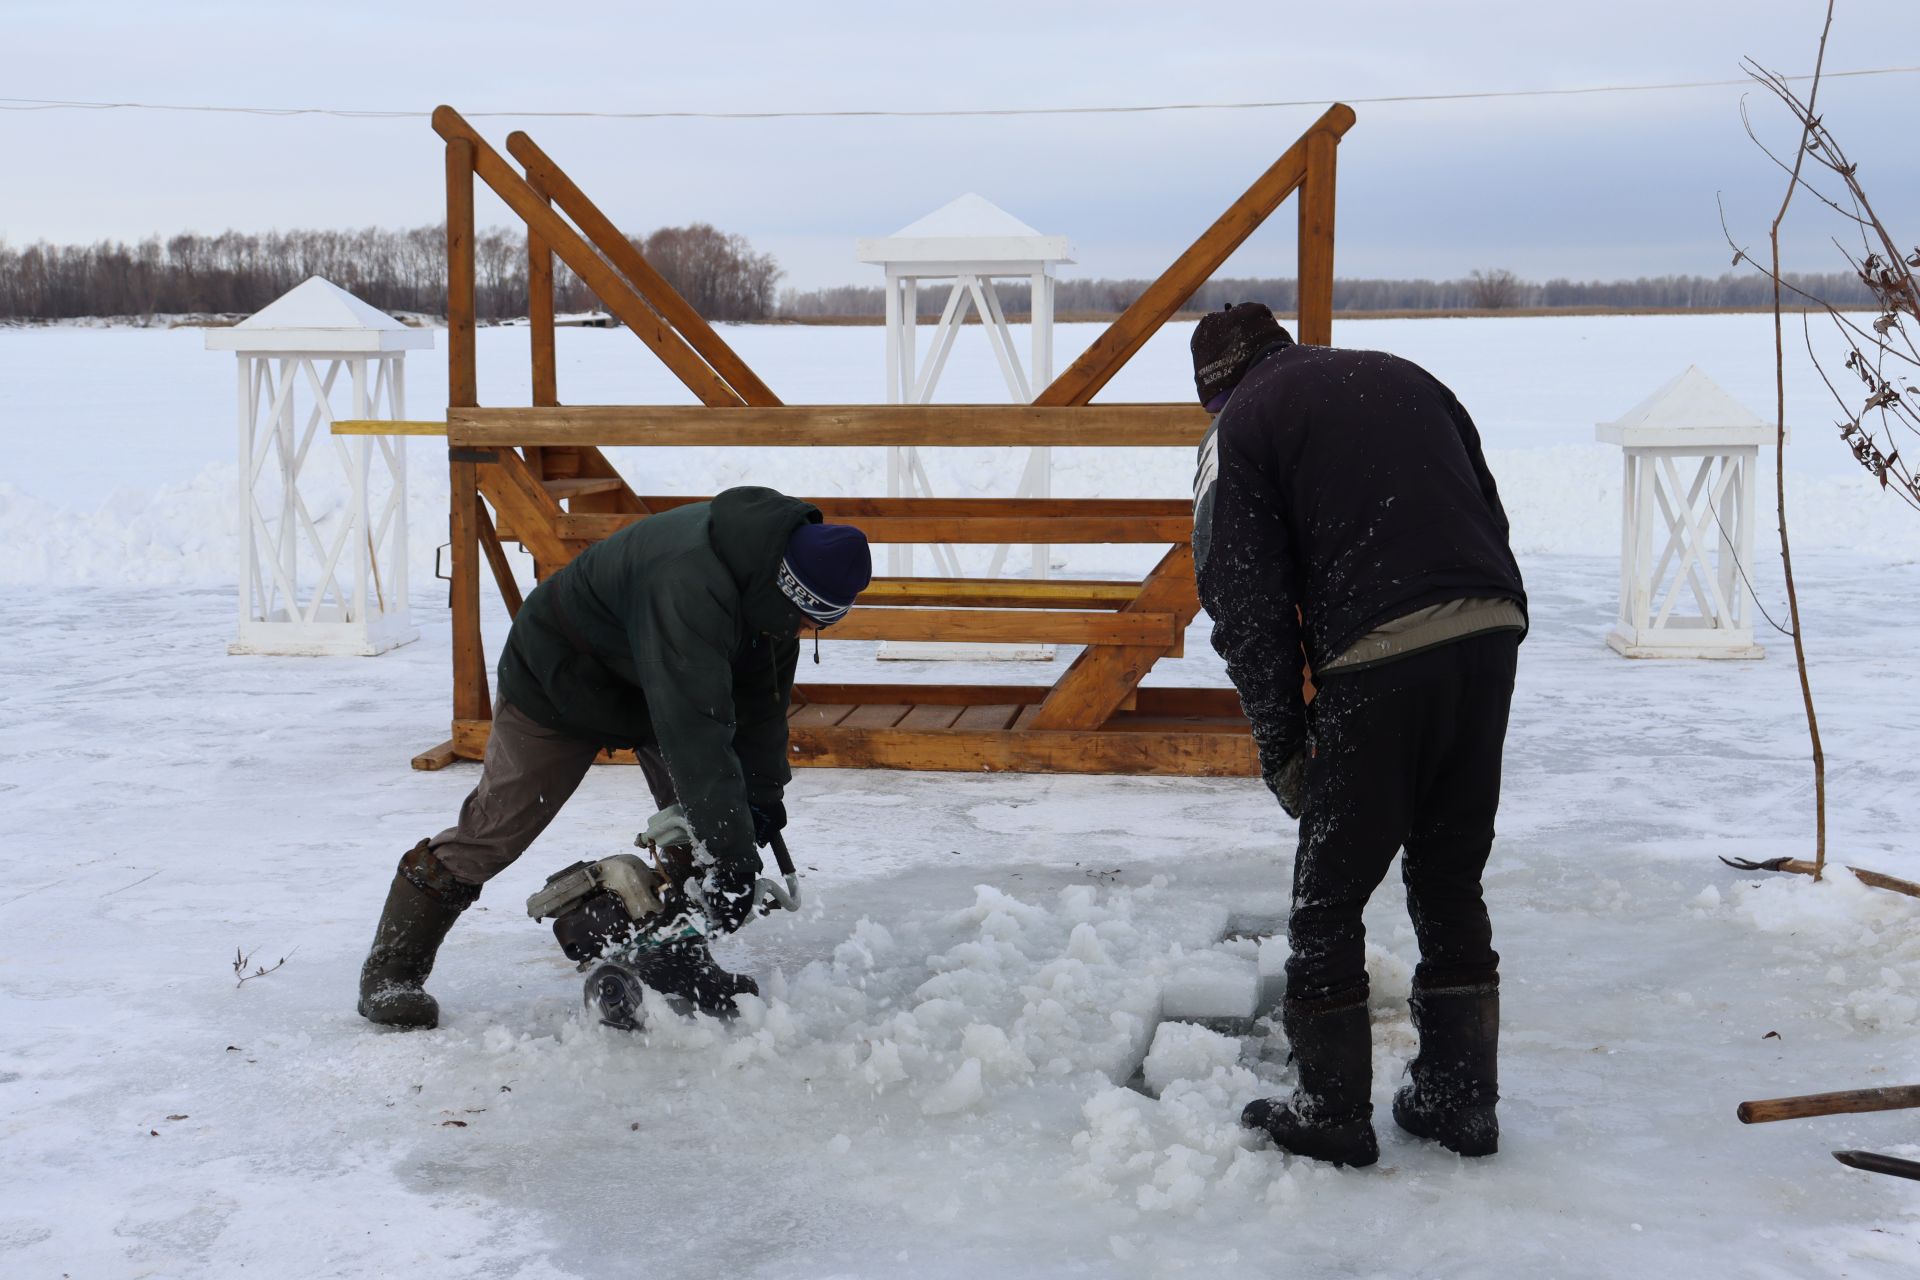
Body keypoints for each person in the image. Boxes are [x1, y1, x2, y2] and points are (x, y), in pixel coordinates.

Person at [1189, 303, 1527, 1167]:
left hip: (1382, 650)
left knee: (1327, 896)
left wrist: (1284, 747)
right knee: (1450, 870)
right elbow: (1486, 508)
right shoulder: (1401, 373)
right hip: (1491, 630)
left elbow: (1247, 602)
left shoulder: (1244, 425)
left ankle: (1331, 1111)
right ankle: (1461, 1102)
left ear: (1213, 393)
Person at [357, 485, 871, 1030]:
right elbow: (696, 731)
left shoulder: (777, 596)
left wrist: (762, 798)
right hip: (561, 678)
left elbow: (762, 707)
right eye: (803, 618)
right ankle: (392, 971)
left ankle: (673, 961)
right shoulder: (691, 580)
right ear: (785, 590)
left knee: (697, 824)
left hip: (653, 681)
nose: (800, 631)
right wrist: (735, 854)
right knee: (496, 828)